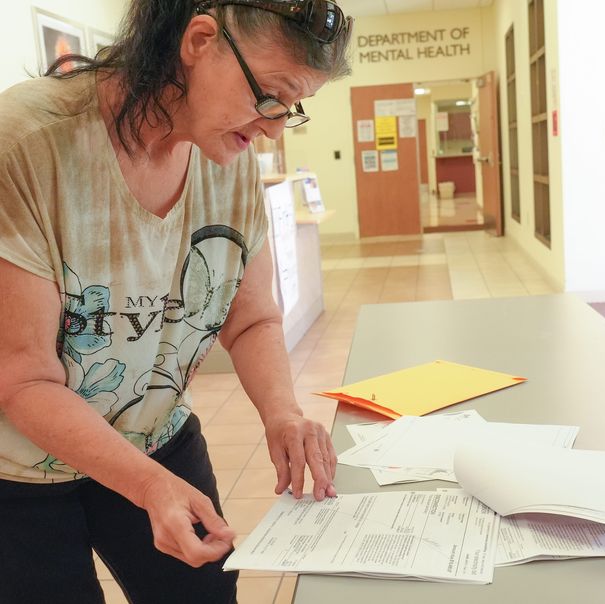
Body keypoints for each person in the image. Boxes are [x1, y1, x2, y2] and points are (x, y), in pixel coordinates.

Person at [0, 1, 352, 602]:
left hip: (158, 435)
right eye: (269, 94)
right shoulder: (28, 146)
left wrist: (282, 413)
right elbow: (24, 378)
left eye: (289, 108)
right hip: (19, 473)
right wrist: (145, 486)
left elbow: (252, 315)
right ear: (200, 40)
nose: (271, 126)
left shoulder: (227, 150)